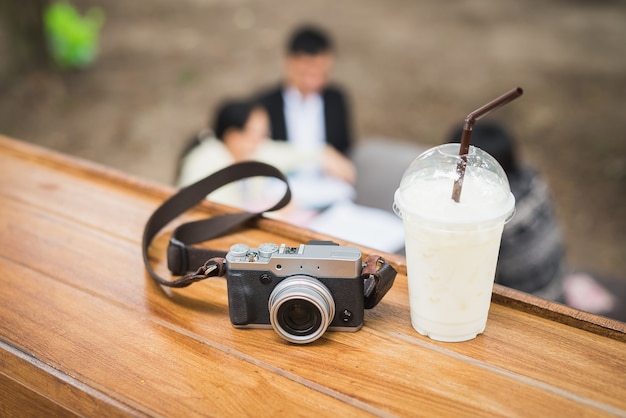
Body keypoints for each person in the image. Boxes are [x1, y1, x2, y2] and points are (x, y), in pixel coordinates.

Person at [445, 121, 620, 317]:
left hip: (529, 305)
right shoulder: (533, 180)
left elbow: (462, 273)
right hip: (557, 283)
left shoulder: (493, 211)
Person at [176, 98, 354, 216]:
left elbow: (284, 154)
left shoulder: (250, 151)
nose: (265, 140)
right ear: (233, 136)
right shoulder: (206, 162)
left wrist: (324, 153)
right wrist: (276, 211)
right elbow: (221, 216)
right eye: (258, 134)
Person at [255, 24, 355, 184]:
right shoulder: (265, 103)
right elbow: (259, 150)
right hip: (281, 187)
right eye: (307, 69)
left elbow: (345, 148)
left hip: (329, 186)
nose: (313, 76)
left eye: (321, 70)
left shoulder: (335, 100)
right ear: (289, 62)